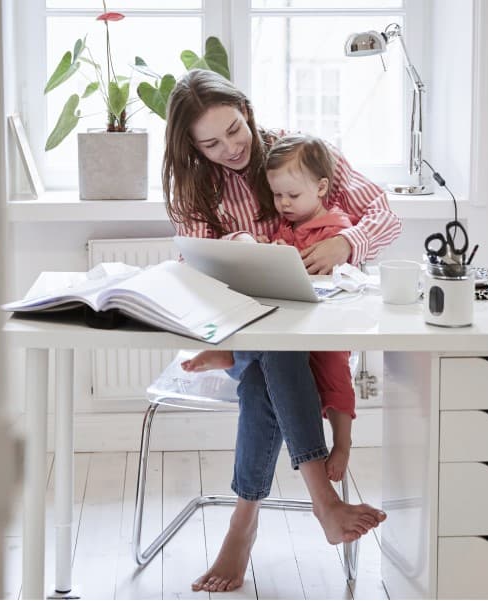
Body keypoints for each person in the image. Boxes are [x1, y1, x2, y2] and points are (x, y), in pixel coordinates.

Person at [163, 69, 401, 593]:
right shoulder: (194, 192)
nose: (230, 147)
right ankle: (323, 501)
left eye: (234, 128)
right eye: (211, 142)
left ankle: (242, 525)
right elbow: (195, 271)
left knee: (264, 375)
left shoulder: (299, 152)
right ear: (192, 147)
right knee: (270, 352)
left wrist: (349, 243)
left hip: (308, 328)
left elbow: (384, 212)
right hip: (244, 327)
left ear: (246, 110)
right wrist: (241, 251)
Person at [182, 133, 358, 483]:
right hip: (288, 327)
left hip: (324, 328)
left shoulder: (336, 229)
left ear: (322, 188)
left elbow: (347, 278)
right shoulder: (286, 225)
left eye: (292, 195)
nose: (283, 203)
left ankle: (342, 443)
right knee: (265, 336)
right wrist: (268, 250)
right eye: (277, 195)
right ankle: (232, 354)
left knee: (336, 374)